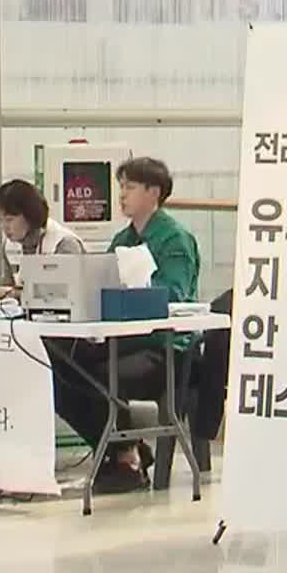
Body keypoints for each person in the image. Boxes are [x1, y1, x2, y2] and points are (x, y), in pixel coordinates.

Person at [49, 156, 200, 494]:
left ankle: (124, 455)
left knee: (95, 373)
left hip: (162, 345)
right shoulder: (122, 239)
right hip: (122, 336)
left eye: (130, 187)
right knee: (58, 363)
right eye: (121, 187)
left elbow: (174, 294)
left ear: (154, 193)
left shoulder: (175, 239)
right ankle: (124, 451)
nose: (122, 194)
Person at [0, 178, 86, 305]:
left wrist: (4, 292)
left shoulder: (64, 244)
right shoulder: (9, 246)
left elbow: (60, 295)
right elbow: (10, 293)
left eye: (9, 219)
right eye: (0, 220)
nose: (4, 227)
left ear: (30, 215)